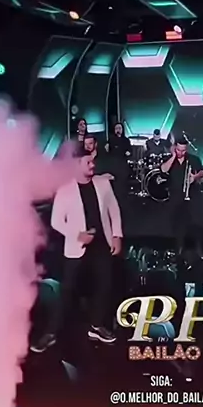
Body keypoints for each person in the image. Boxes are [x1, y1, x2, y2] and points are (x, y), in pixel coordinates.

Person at [34, 149, 123, 351]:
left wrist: (117, 235)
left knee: (105, 285)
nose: (93, 165)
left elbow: (114, 210)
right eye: (88, 162)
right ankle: (51, 332)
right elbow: (56, 221)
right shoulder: (65, 190)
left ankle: (96, 326)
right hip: (77, 247)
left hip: (101, 243)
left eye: (93, 162)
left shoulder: (103, 184)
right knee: (67, 291)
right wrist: (77, 235)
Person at [161, 138, 203, 263]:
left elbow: (202, 171)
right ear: (175, 148)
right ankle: (178, 250)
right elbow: (163, 169)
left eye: (183, 150)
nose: (181, 152)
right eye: (179, 150)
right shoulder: (169, 158)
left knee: (195, 223)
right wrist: (173, 156)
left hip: (192, 195)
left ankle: (198, 250)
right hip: (175, 195)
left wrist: (195, 177)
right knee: (177, 224)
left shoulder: (193, 159)